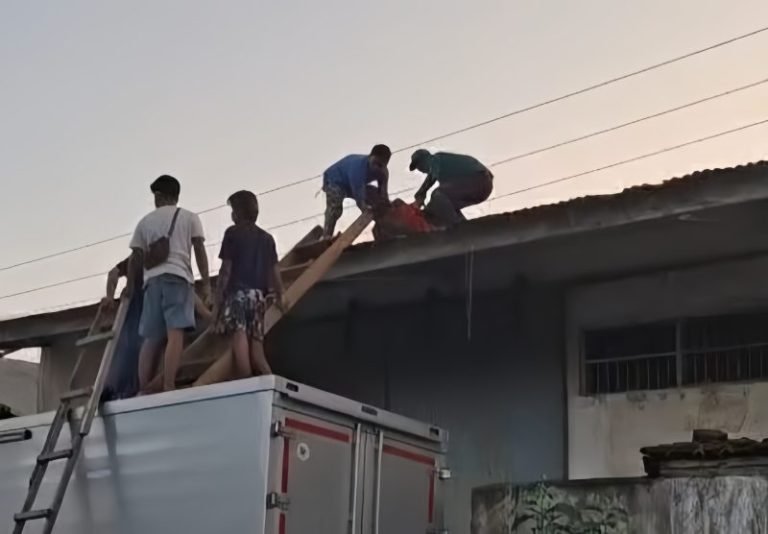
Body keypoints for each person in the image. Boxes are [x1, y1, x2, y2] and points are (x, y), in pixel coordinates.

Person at [126, 175, 211, 393]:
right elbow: (199, 250)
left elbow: (135, 257)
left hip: (151, 282)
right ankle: (168, 385)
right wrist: (206, 282)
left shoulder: (144, 222)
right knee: (175, 333)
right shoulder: (190, 217)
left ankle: (144, 388)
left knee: (151, 338)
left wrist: (131, 285)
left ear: (159, 196)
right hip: (178, 277)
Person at [213, 190, 286, 378]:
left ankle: (245, 378)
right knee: (256, 343)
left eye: (232, 210)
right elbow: (274, 270)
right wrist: (280, 295)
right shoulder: (267, 238)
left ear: (237, 213)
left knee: (239, 335)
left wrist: (218, 302)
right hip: (259, 297)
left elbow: (226, 270)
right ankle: (269, 376)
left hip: (238, 295)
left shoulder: (232, 233)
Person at [410, 149, 494, 227]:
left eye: (419, 166)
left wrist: (421, 193)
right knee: (443, 205)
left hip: (478, 179)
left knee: (438, 195)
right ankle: (464, 226)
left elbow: (433, 175)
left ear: (425, 159)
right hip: (483, 186)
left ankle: (457, 228)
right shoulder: (446, 171)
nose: (420, 170)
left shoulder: (436, 158)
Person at [322, 144, 392, 237]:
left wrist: (384, 208)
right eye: (375, 163)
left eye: (381, 165)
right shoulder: (358, 168)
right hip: (335, 180)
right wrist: (365, 209)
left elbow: (383, 194)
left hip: (353, 183)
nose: (377, 167)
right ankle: (327, 234)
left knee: (375, 196)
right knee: (335, 206)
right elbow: (360, 199)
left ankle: (383, 227)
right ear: (370, 157)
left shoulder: (383, 173)